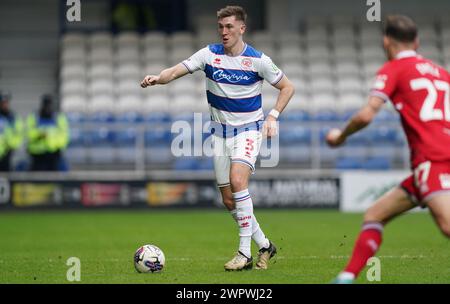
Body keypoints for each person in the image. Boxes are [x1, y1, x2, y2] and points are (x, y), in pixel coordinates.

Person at [141, 6, 295, 270]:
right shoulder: (209, 55)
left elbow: (287, 87)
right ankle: (266, 245)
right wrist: (158, 78)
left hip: (248, 130)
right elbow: (176, 70)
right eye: (221, 27)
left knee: (238, 181)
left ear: (241, 28)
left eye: (229, 27)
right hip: (220, 135)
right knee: (228, 200)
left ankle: (244, 253)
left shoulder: (258, 60)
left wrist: (272, 117)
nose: (224, 32)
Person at [326, 15, 450, 283]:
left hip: (434, 159)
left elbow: (366, 116)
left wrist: (341, 136)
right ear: (416, 41)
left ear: (386, 41)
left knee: (447, 226)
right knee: (375, 214)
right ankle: (346, 277)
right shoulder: (441, 72)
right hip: (429, 164)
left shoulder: (393, 69)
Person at [26, 94, 70, 171]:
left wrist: (54, 144)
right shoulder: (34, 117)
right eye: (46, 104)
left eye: (49, 104)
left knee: (52, 178)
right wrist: (39, 135)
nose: (47, 107)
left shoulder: (59, 118)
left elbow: (64, 136)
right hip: (37, 154)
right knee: (37, 178)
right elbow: (28, 133)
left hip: (53, 154)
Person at [0, 91, 23, 172]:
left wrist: (11, 145)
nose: (4, 105)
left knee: (7, 175)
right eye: (2, 103)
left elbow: (19, 133)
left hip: (8, 152)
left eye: (6, 103)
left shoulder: (13, 118)